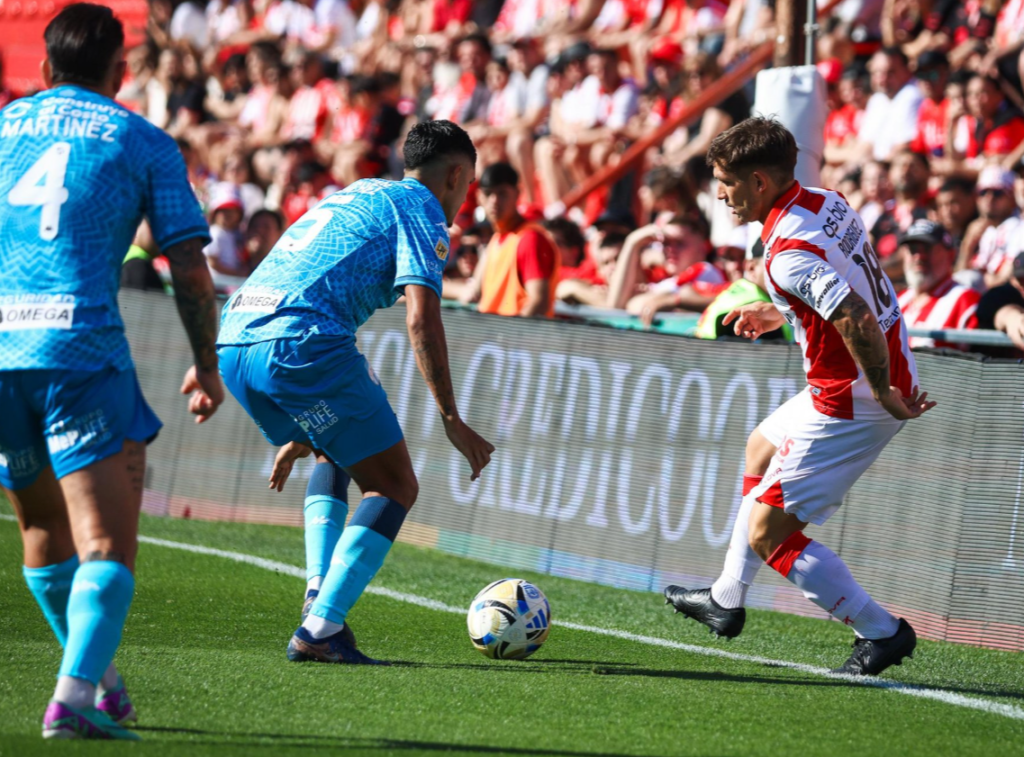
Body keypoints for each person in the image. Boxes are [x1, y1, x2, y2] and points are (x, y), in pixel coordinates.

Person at [0, 3, 222, 740]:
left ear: (42, 68)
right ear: (122, 72)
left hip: (1, 350)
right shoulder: (143, 139)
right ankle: (71, 697)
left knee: (41, 530)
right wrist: (205, 362)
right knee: (107, 547)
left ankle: (99, 676)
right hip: (80, 350)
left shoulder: (2, 131)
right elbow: (188, 265)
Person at [216, 120, 495, 666]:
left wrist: (301, 419)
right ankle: (321, 627)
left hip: (235, 336)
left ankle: (318, 595)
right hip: (298, 341)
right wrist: (450, 417)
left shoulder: (357, 191)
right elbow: (422, 318)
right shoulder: (423, 209)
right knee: (393, 485)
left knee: (336, 448)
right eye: (467, 186)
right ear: (457, 175)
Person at [664, 117, 935, 677]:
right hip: (855, 383)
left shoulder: (784, 252)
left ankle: (882, 632)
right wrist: (780, 311)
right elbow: (846, 283)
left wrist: (883, 391)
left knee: (769, 534)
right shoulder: (824, 200)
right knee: (759, 448)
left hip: (853, 400)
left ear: (760, 182)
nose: (720, 193)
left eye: (727, 181)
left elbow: (855, 314)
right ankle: (726, 598)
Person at [476, 162, 560, 318]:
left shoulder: (530, 238)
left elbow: (539, 302)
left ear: (517, 193)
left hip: (513, 339)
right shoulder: (496, 239)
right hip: (495, 335)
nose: (494, 200)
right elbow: (473, 292)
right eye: (488, 193)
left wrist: (509, 336)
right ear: (479, 197)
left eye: (502, 193)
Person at [896, 220, 980, 350]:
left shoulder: (965, 300)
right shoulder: (900, 299)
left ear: (950, 255)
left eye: (927, 249)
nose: (919, 256)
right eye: (913, 250)